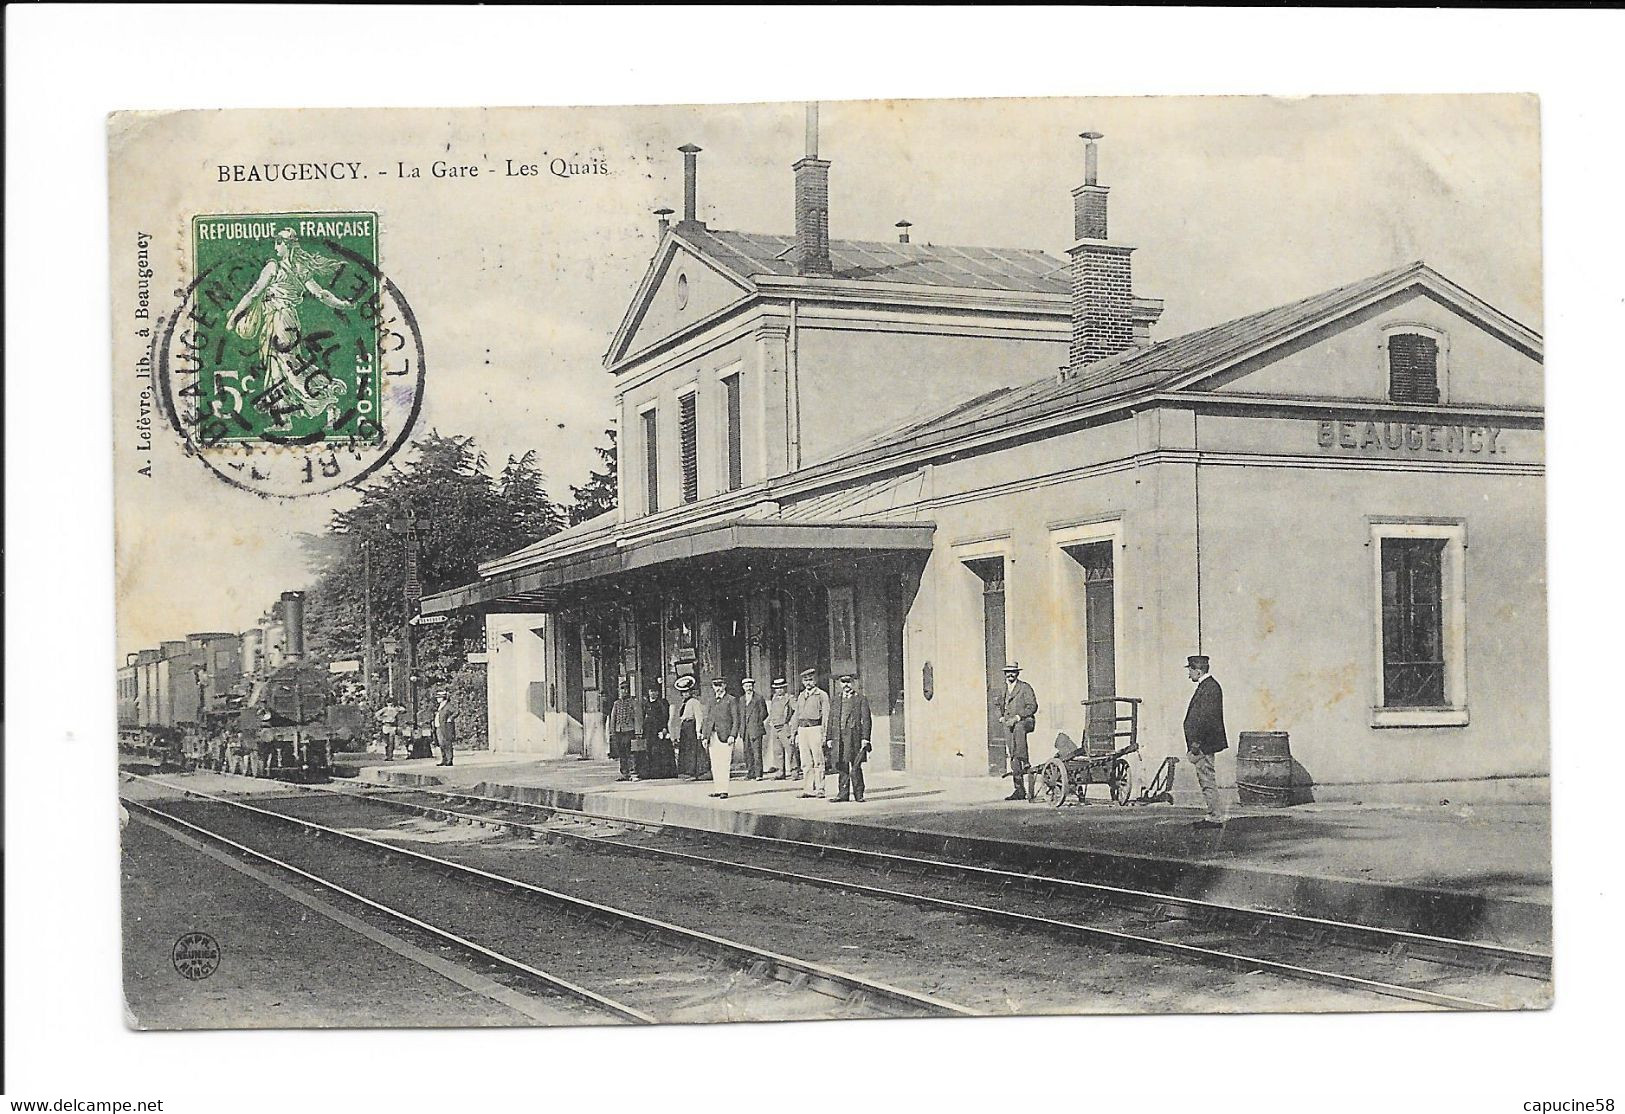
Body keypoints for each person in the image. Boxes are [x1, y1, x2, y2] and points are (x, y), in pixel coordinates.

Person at [226, 228, 355, 430]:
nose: (275, 246)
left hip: (281, 320)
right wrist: (341, 304)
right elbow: (321, 294)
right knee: (276, 370)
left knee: (290, 367)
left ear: (287, 245)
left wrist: (234, 317)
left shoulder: (273, 266)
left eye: (278, 242)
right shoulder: (300, 268)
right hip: (283, 320)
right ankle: (283, 419)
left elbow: (253, 294)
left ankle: (328, 400)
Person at [1183, 655, 1228, 828]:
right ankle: (1213, 814)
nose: (1189, 675)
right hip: (1202, 742)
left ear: (1198, 670)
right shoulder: (1208, 686)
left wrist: (1196, 743)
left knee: (1207, 779)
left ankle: (1215, 817)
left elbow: (1206, 719)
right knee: (1205, 778)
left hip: (1203, 744)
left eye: (1190, 670)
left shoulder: (1209, 688)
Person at [830, 673, 874, 803]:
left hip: (854, 736)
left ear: (853, 683)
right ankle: (842, 794)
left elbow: (866, 720)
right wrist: (829, 738)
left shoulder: (860, 699)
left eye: (848, 682)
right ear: (839, 684)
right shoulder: (836, 699)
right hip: (839, 736)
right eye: (843, 682)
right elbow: (831, 719)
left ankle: (859, 794)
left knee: (855, 766)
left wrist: (865, 738)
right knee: (841, 765)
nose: (846, 685)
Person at [998, 662, 1039, 800]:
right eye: (1008, 672)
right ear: (1005, 674)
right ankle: (1019, 790)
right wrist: (1001, 717)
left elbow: (1032, 706)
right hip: (1009, 724)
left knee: (1019, 729)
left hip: (1024, 721)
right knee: (1012, 754)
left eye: (1013, 672)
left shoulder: (1025, 687)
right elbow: (997, 704)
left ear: (1018, 673)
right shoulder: (1003, 689)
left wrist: (1017, 717)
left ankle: (1025, 759)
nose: (1010, 674)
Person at [793, 668, 830, 799]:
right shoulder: (801, 696)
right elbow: (797, 715)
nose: (808, 683)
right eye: (806, 680)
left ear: (815, 680)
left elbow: (826, 715)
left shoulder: (821, 695)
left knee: (818, 760)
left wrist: (825, 734)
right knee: (805, 761)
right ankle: (808, 788)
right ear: (803, 682)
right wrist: (795, 733)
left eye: (810, 680)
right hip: (803, 730)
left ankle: (820, 788)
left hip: (815, 728)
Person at [705, 677, 741, 799]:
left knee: (724, 762)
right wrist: (705, 736)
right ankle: (717, 788)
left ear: (724, 686)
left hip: (726, 736)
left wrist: (733, 735)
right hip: (713, 735)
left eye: (720, 685)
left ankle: (724, 790)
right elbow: (707, 719)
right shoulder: (711, 701)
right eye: (715, 685)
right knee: (715, 763)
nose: (718, 688)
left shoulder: (731, 700)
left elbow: (736, 719)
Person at [608, 678, 643, 781]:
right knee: (622, 753)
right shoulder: (617, 703)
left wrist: (638, 731)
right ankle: (624, 773)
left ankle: (633, 773)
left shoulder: (633, 702)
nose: (624, 691)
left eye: (626, 689)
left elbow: (637, 717)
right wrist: (612, 731)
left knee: (630, 752)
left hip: (629, 730)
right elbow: (613, 718)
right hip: (619, 731)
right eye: (622, 689)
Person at [670, 676, 705, 779]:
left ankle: (694, 772)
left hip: (691, 727)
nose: (684, 694)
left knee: (693, 750)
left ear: (691, 692)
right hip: (685, 728)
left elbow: (699, 717)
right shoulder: (684, 703)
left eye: (687, 692)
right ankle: (688, 772)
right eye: (683, 693)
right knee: (686, 750)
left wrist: (698, 731)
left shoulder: (694, 702)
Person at [766, 677, 798, 780]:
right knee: (777, 750)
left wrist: (791, 723)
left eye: (781, 688)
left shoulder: (790, 698)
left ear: (784, 688)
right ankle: (780, 771)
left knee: (790, 750)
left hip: (785, 727)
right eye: (777, 688)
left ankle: (794, 771)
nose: (779, 690)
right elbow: (771, 712)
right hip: (775, 727)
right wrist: (770, 720)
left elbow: (796, 711)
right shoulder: (774, 698)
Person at [739, 677, 769, 780]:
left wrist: (756, 722)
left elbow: (764, 713)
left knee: (757, 752)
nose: (748, 688)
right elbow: (740, 715)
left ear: (753, 687)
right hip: (745, 730)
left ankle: (758, 774)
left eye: (750, 686)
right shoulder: (741, 699)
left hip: (755, 729)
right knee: (747, 752)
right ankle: (750, 772)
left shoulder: (758, 698)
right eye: (746, 686)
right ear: (743, 687)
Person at [642, 682, 673, 778]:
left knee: (660, 751)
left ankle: (661, 773)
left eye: (655, 691)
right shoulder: (646, 704)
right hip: (648, 730)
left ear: (658, 693)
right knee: (649, 750)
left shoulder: (662, 703)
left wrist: (664, 728)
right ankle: (650, 772)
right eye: (651, 691)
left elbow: (665, 716)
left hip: (659, 729)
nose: (653, 694)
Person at [433, 689, 458, 767]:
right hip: (438, 727)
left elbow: (456, 711)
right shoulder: (440, 706)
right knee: (441, 744)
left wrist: (450, 718)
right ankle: (444, 759)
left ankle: (449, 760)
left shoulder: (448, 705)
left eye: (439, 697)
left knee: (447, 743)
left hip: (446, 727)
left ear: (443, 698)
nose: (437, 699)